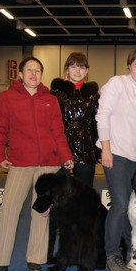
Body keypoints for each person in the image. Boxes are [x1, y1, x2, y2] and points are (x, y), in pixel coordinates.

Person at [0, 56, 74, 271]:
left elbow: (57, 131)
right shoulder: (6, 98)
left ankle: (36, 258)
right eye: (30, 70)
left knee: (41, 212)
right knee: (8, 210)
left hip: (48, 164)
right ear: (21, 74)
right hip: (20, 163)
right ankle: (0, 260)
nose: (34, 74)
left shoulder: (50, 100)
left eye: (38, 71)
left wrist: (66, 156)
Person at [96, 47, 136, 271]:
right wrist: (106, 148)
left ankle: (131, 248)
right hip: (115, 153)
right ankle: (112, 256)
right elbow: (102, 115)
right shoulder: (116, 84)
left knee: (132, 208)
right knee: (121, 204)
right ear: (129, 66)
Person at [50, 52, 100, 187]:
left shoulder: (94, 95)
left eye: (82, 67)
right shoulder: (55, 93)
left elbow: (98, 124)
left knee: (84, 193)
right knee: (58, 193)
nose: (78, 71)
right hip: (60, 149)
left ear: (87, 71)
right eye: (73, 67)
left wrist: (100, 150)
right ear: (67, 69)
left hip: (86, 151)